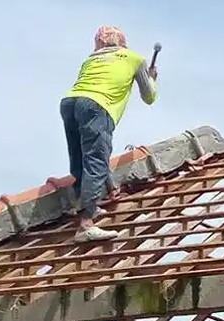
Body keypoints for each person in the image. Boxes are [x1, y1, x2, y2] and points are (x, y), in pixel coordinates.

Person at [60, 26, 158, 243]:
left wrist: (111, 186)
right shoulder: (134, 58)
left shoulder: (91, 60)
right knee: (95, 160)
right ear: (123, 42)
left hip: (70, 102)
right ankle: (86, 224)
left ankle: (86, 205)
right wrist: (152, 78)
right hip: (98, 105)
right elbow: (149, 96)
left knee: (80, 157)